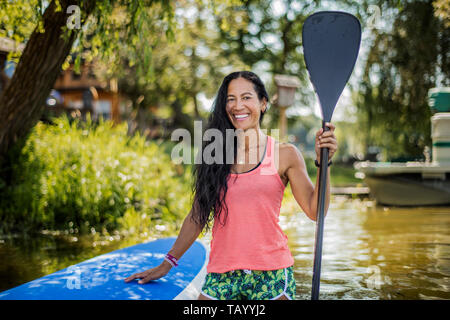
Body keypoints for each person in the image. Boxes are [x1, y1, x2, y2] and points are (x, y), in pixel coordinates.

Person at [124, 71, 338, 300]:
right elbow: (198, 214)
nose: (238, 106)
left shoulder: (284, 154)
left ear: (263, 103)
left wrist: (324, 163)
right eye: (230, 99)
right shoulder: (216, 154)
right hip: (221, 272)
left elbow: (316, 211)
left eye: (246, 97)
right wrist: (167, 264)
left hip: (271, 273)